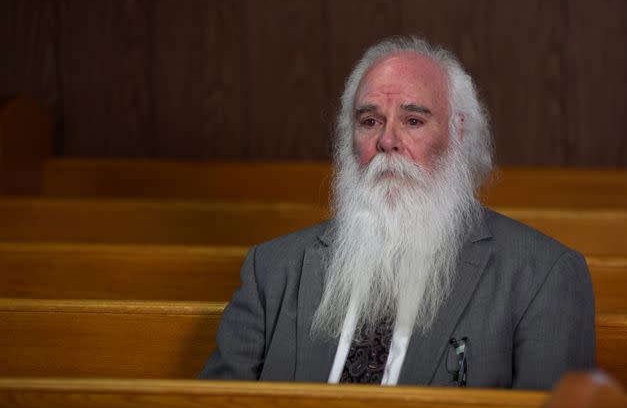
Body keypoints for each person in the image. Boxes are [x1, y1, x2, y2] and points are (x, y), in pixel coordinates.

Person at [199, 36, 595, 388]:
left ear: (458, 132)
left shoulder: (542, 275)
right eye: (369, 121)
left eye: (413, 120)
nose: (387, 141)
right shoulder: (271, 271)